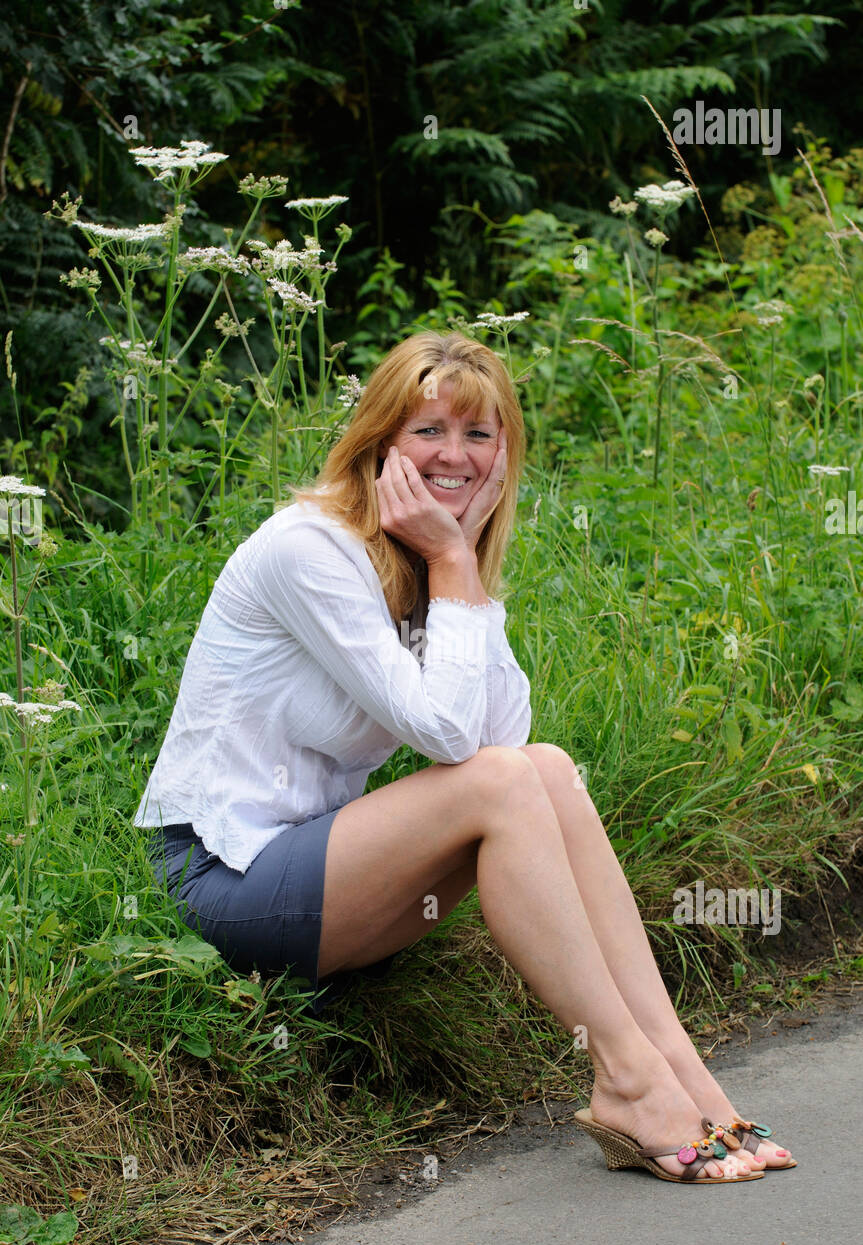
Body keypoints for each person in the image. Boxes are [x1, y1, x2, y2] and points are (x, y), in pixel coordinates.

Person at [135, 329, 795, 1184]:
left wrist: (462, 573)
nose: (455, 456)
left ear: (503, 452)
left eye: (478, 436)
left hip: (327, 879)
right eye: (429, 432)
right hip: (222, 875)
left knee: (546, 768)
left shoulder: (427, 561)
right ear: (379, 444)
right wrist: (453, 560)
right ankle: (627, 1080)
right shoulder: (310, 549)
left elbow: (506, 739)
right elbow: (454, 743)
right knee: (502, 781)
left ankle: (680, 1071)